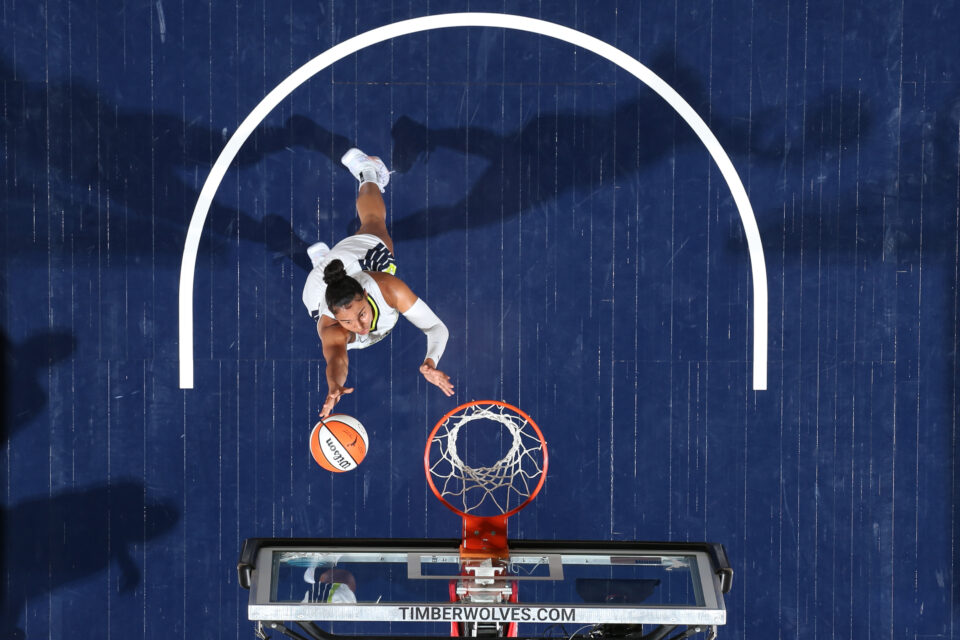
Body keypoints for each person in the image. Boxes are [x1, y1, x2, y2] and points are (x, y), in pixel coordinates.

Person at [302, 148, 454, 418]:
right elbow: (337, 359)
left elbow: (435, 327)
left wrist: (431, 360)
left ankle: (368, 171)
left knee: (374, 223)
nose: (359, 327)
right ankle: (323, 262)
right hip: (315, 290)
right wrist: (334, 384)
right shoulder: (332, 328)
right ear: (337, 319)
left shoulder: (386, 286)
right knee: (321, 293)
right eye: (348, 322)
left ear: (363, 292)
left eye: (361, 314)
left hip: (355, 258)